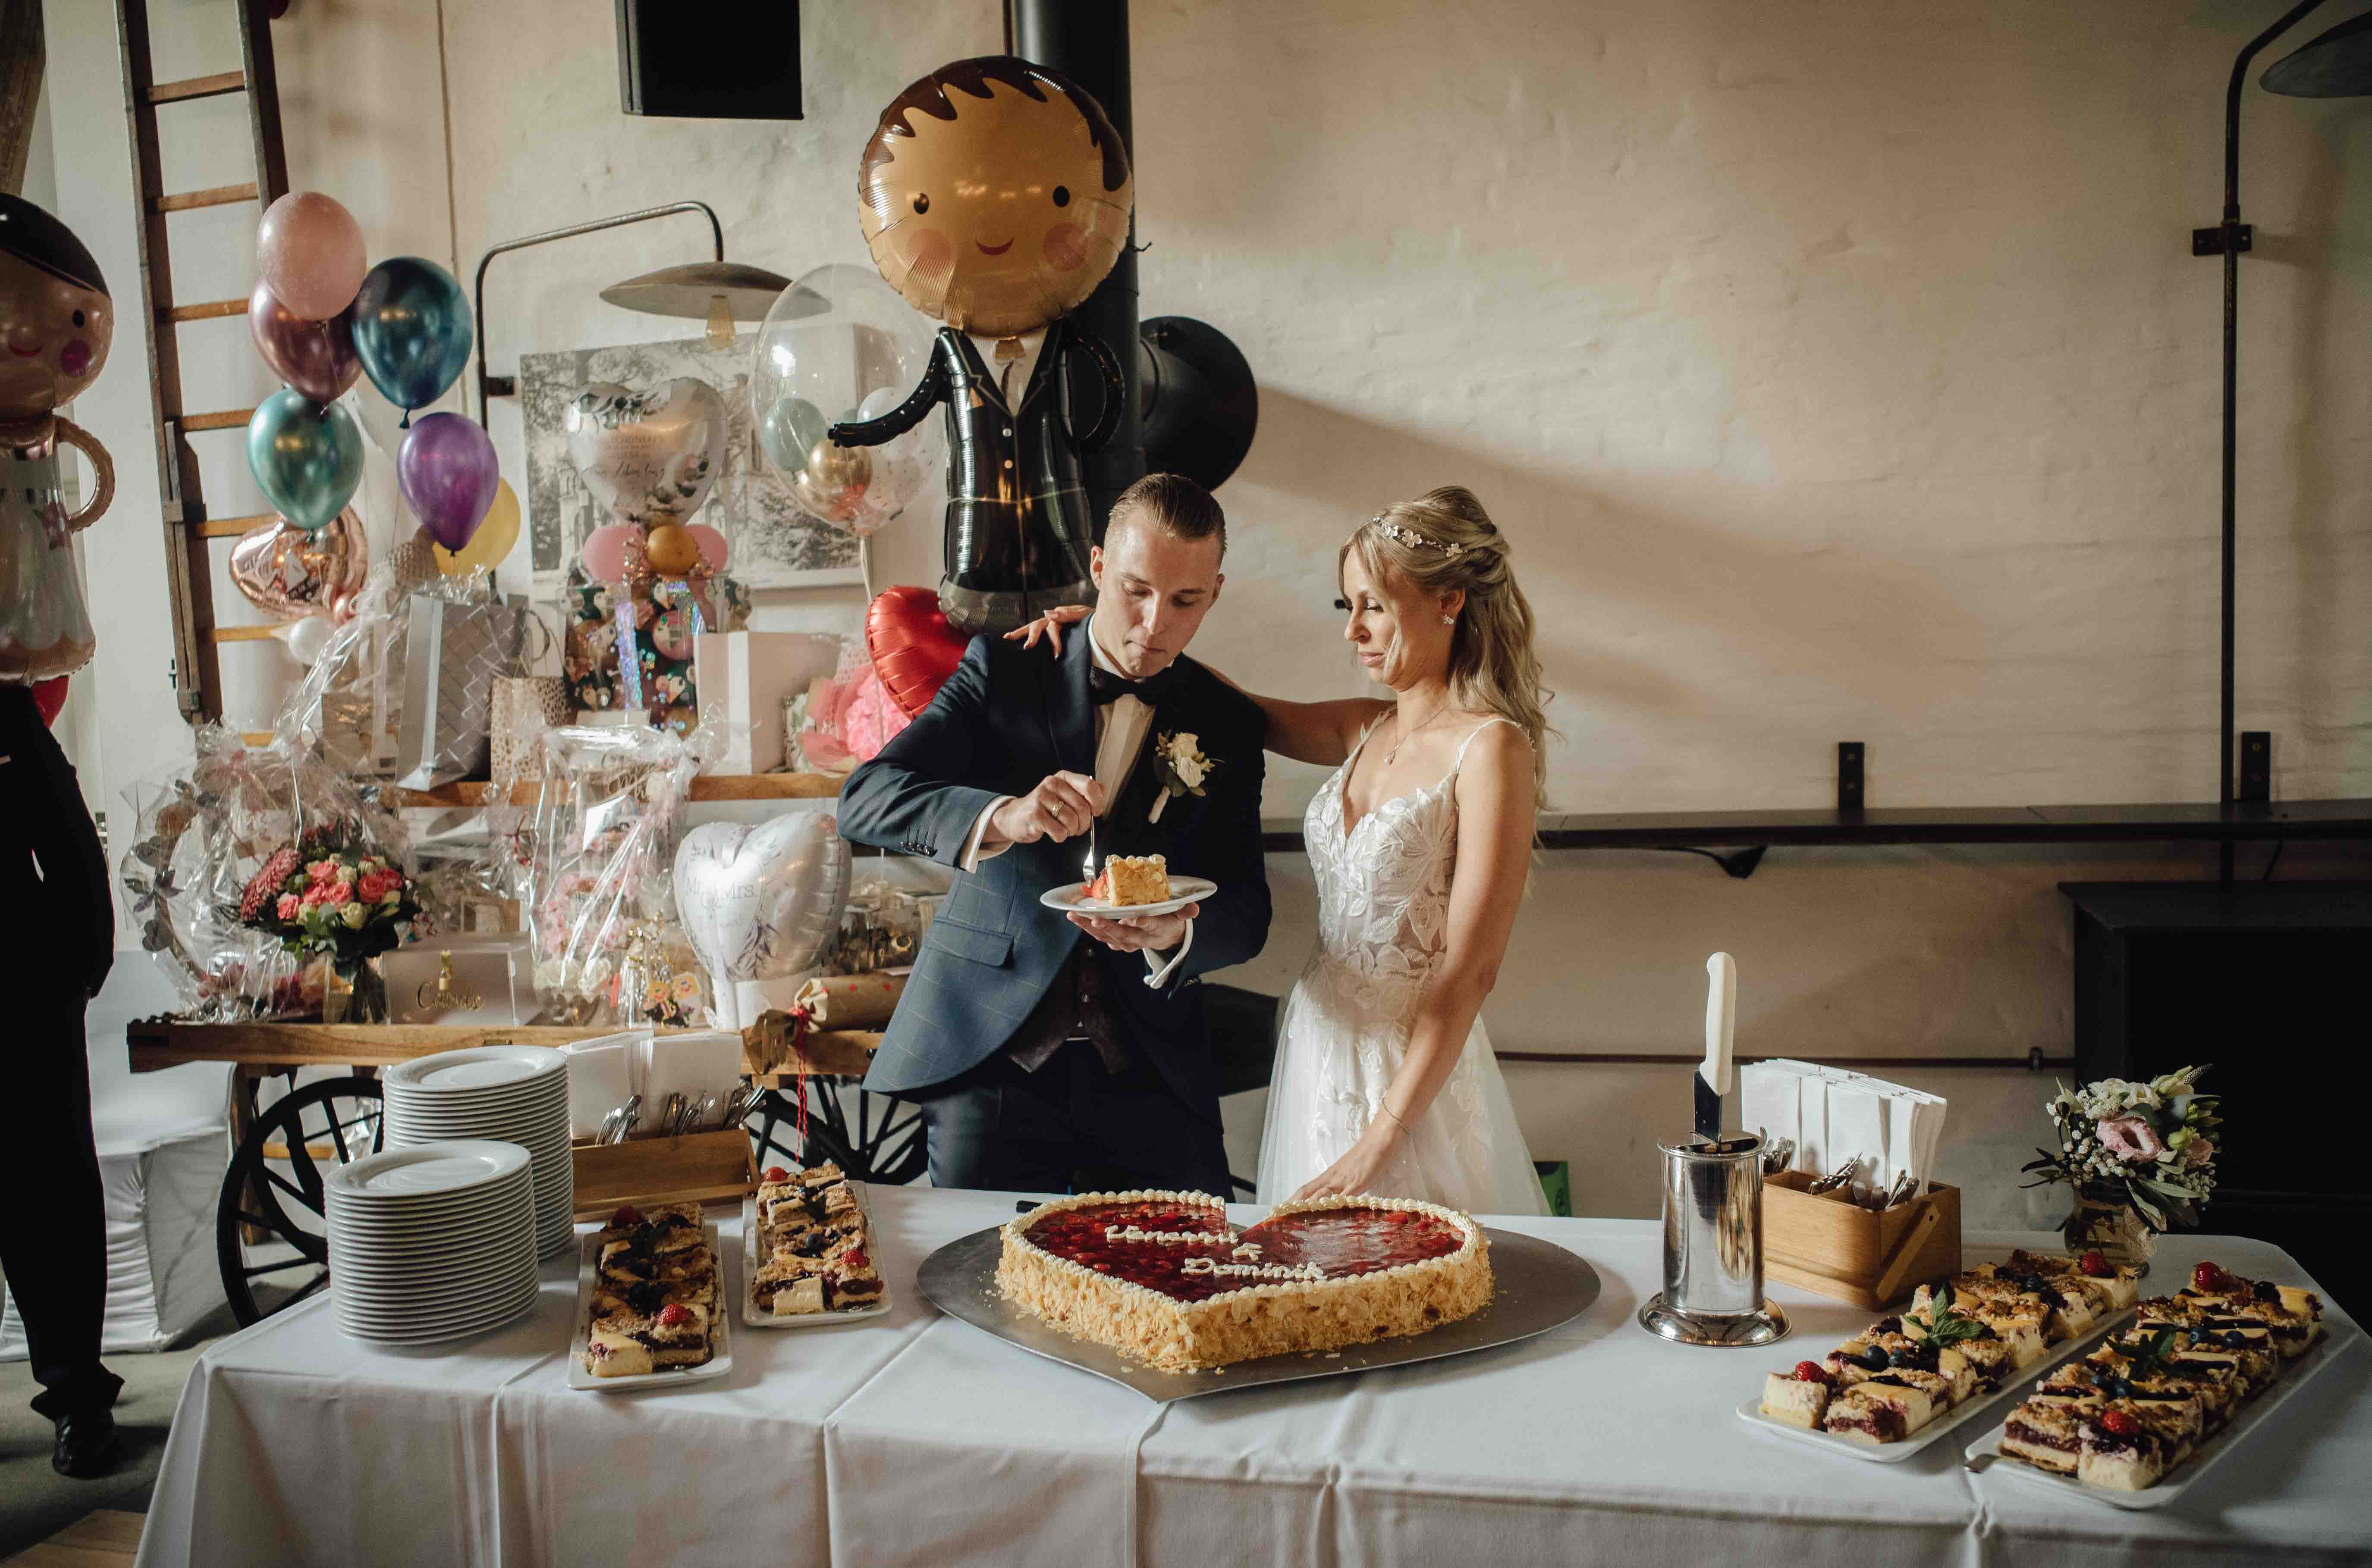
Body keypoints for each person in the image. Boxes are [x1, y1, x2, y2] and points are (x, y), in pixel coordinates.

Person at [1012, 486, 1549, 1215]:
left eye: (1374, 606)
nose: (1353, 630)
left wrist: (1382, 1138)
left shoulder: (1493, 749)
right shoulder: (1364, 728)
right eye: (1347, 606)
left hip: (1414, 1076)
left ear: (1449, 600)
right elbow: (1226, 706)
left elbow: (1472, 970)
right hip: (1319, 1047)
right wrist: (1107, 633)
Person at [837, 473, 1270, 1194]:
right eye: (1135, 590)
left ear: (1215, 593)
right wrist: (1002, 816)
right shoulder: (1005, 669)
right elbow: (866, 799)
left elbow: (1249, 911)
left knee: (1191, 1260)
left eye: (1185, 600)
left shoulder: (1227, 724)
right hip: (990, 1058)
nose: (1154, 624)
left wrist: (1176, 933)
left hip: (1151, 1072)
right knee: (973, 1265)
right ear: (1098, 567)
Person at [0, 194, 124, 1477]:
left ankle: (79, 1392)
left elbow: (59, 816)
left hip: (19, 971)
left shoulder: (1, 706)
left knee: (48, 1183)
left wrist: (83, 953)